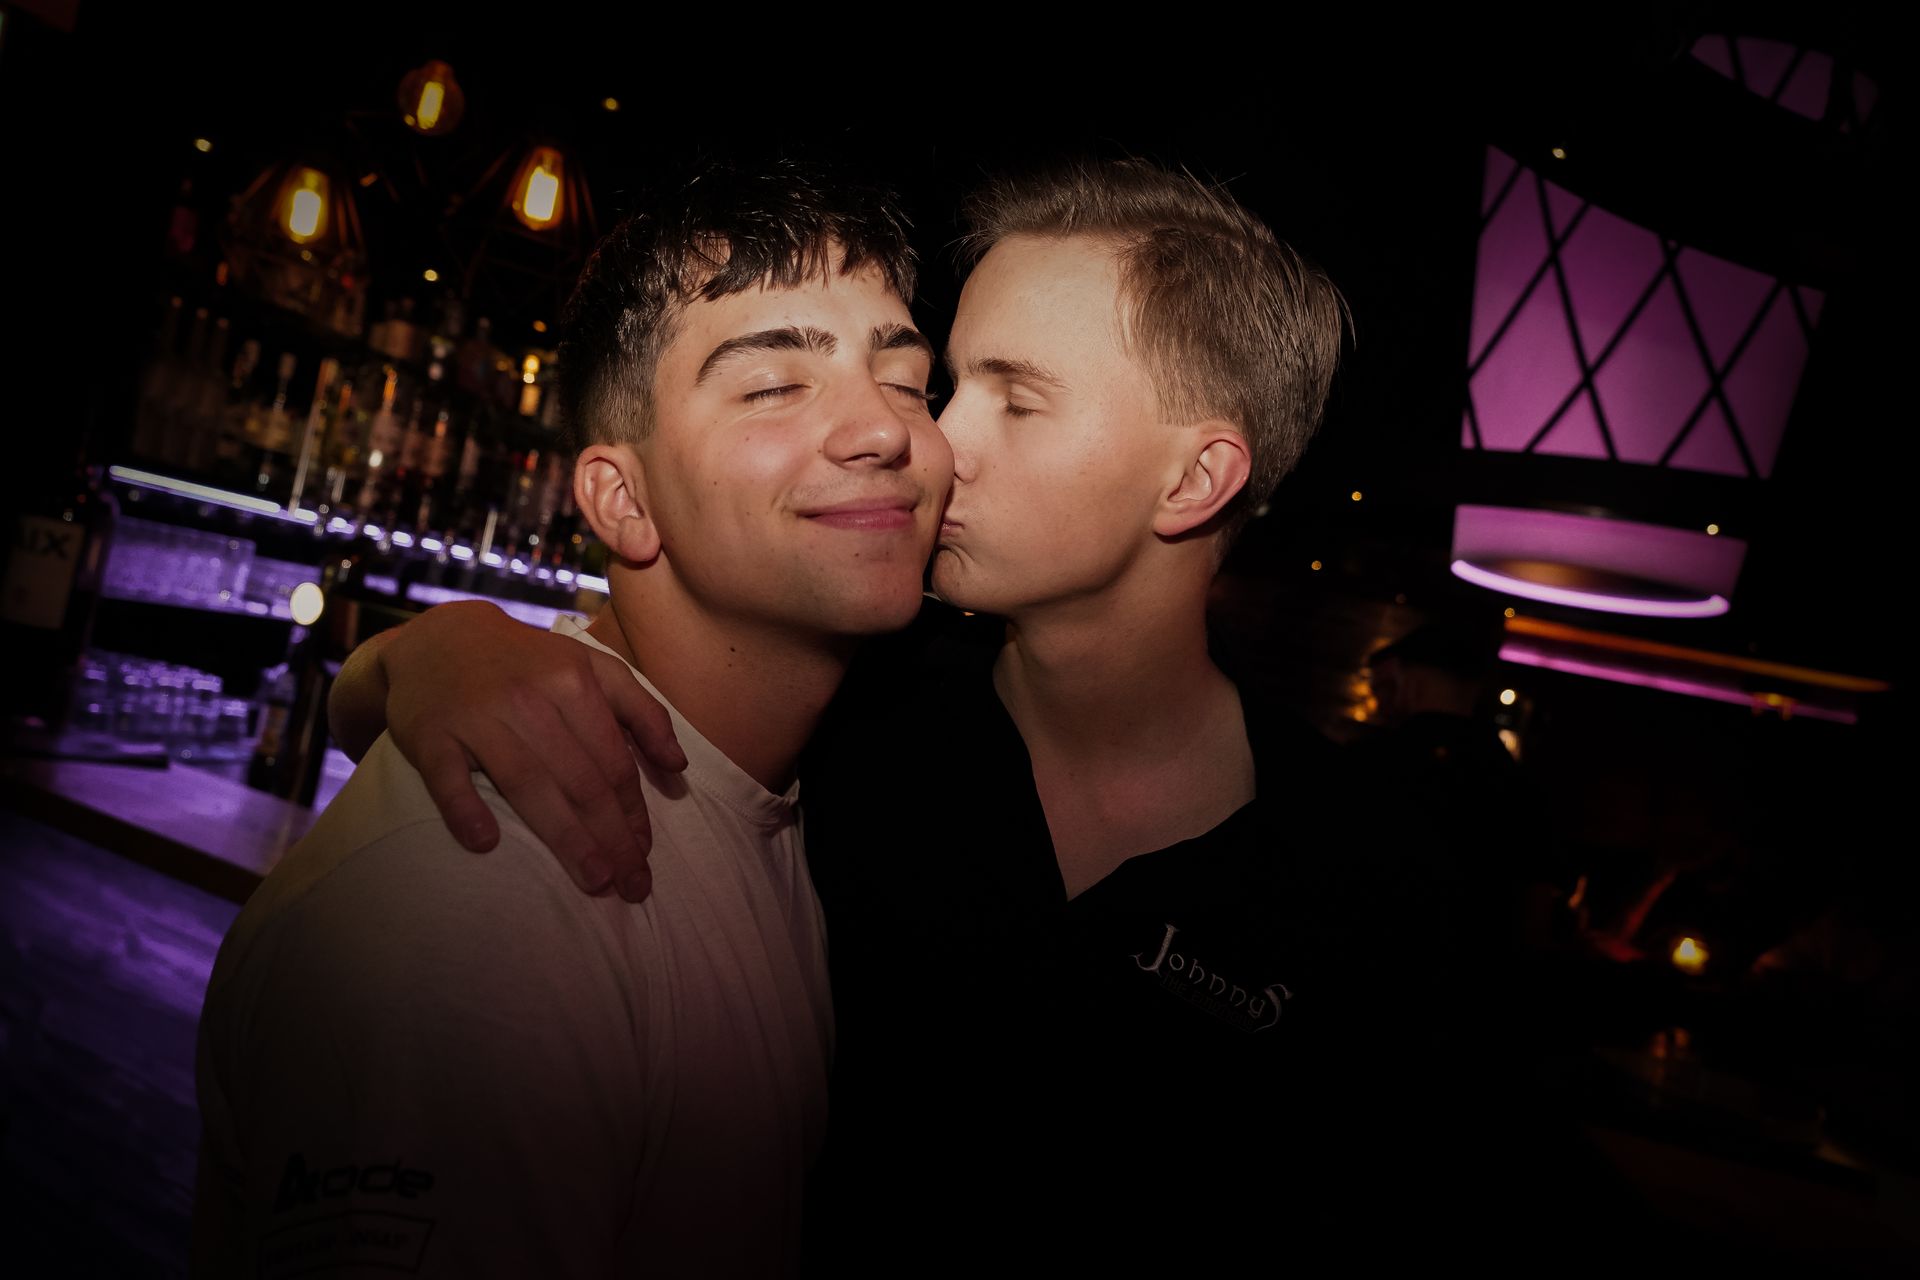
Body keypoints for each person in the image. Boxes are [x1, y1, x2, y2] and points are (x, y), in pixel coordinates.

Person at [334, 158, 1625, 1267]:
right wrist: (425, 655)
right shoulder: (859, 723)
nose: (937, 441)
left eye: (1015, 396)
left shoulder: (1370, 881)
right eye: (946, 386)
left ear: (1195, 477)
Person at [191, 161, 951, 1278]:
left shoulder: (832, 795)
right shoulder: (486, 900)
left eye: (908, 379)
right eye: (774, 385)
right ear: (622, 500)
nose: (882, 428)